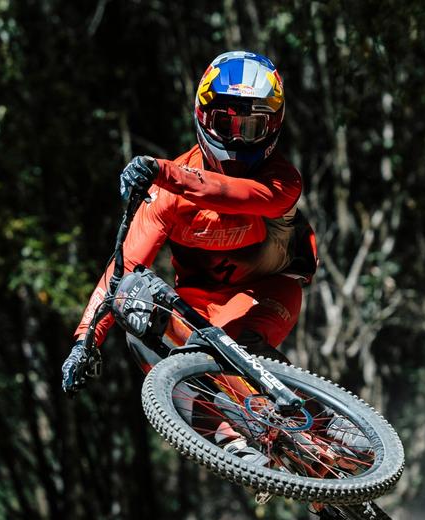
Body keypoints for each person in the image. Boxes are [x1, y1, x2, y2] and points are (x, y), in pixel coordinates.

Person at [60, 50, 317, 394]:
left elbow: (233, 193)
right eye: (227, 125)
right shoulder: (167, 195)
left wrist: (164, 171)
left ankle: (332, 429)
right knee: (140, 329)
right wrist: (84, 341)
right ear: (204, 117)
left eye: (252, 127)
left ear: (273, 126)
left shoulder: (282, 180)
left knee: (240, 352)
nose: (238, 140)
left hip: (268, 290)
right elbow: (123, 268)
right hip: (197, 308)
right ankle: (232, 443)